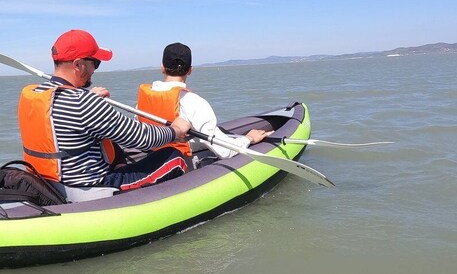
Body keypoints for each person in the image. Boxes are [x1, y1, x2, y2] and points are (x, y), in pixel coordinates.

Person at [17, 29, 192, 192]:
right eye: (95, 63)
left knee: (114, 147)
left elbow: (70, 114)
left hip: (51, 182)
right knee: (174, 157)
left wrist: (88, 96)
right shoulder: (84, 103)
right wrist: (176, 130)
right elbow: (143, 138)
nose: (95, 70)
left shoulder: (36, 94)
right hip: (91, 187)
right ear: (78, 65)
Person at [136, 42, 272, 163]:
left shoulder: (144, 98)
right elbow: (225, 152)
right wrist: (249, 139)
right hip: (177, 163)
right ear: (190, 70)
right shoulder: (193, 102)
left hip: (153, 155)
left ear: (162, 68)